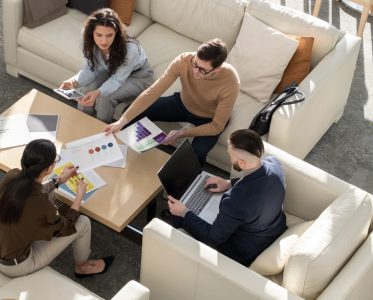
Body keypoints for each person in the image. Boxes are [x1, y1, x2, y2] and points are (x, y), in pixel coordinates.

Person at [0, 139, 114, 278]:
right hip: (15, 266)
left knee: (49, 194)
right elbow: (65, 227)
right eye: (55, 161)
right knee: (83, 222)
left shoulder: (12, 175)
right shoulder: (41, 203)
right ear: (48, 169)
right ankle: (82, 267)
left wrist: (57, 181)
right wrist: (79, 196)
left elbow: (34, 192)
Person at [162, 129, 287, 267]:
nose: (230, 158)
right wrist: (228, 183)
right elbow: (257, 182)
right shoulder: (274, 165)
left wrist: (184, 212)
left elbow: (213, 238)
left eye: (230, 155)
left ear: (241, 164)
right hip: (271, 228)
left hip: (243, 250)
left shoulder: (234, 201)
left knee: (179, 215)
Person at [103, 39, 239, 164]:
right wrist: (121, 121)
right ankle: (120, 154)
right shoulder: (184, 60)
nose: (195, 72)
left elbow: (217, 126)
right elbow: (153, 92)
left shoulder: (231, 81)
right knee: (129, 113)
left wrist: (182, 133)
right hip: (182, 103)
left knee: (196, 155)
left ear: (217, 69)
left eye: (203, 70)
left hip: (209, 118)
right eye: (195, 64)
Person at [60, 8, 154, 123]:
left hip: (138, 77)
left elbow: (117, 80)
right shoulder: (87, 37)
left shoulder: (130, 49)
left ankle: (102, 128)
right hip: (109, 71)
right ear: (92, 33)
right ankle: (82, 123)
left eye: (109, 35)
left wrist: (98, 92)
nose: (104, 41)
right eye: (99, 35)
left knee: (105, 97)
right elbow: (90, 69)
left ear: (116, 33)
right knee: (86, 89)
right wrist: (73, 81)